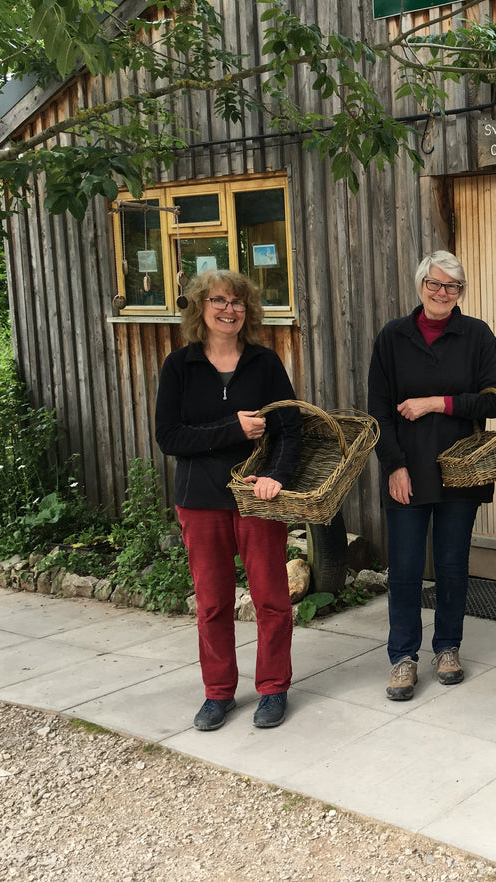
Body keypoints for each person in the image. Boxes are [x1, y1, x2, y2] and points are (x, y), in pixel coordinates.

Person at [155, 269, 301, 731]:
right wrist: (232, 430)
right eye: (218, 300)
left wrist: (275, 476)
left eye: (237, 302)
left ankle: (273, 688)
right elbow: (170, 437)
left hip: (257, 500)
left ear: (248, 310)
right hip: (200, 500)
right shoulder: (179, 366)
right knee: (212, 604)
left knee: (272, 599)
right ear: (200, 307)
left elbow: (291, 429)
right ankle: (218, 693)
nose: (228, 309)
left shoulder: (265, 363)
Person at [367, 250, 496, 701]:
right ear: (420, 285)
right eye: (435, 284)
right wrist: (394, 466)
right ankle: (402, 658)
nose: (443, 293)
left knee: (451, 567)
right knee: (405, 570)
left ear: (461, 293)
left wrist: (437, 402)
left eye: (453, 286)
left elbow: (495, 400)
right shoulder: (393, 337)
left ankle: (447, 647)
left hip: (460, 470)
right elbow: (379, 412)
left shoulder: (476, 335)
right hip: (407, 469)